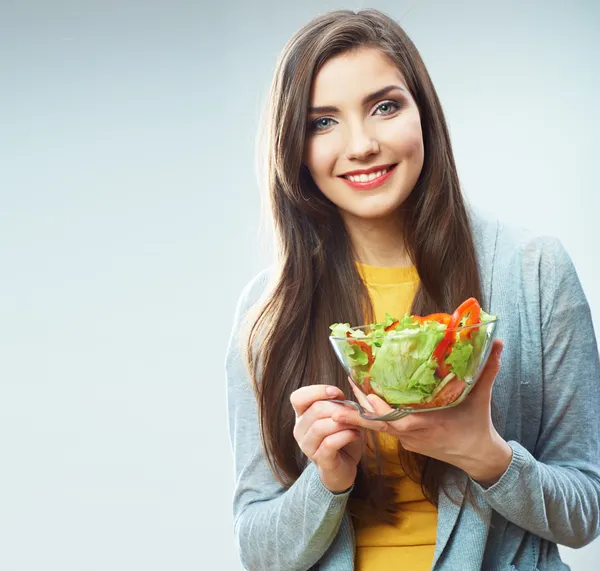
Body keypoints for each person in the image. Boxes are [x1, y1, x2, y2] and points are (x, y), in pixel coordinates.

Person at [225, 8, 600, 571]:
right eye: (322, 122)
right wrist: (325, 481)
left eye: (384, 107)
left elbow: (585, 512)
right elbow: (258, 549)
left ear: (424, 113)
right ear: (293, 148)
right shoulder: (266, 311)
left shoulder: (534, 271)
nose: (361, 145)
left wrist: (488, 456)